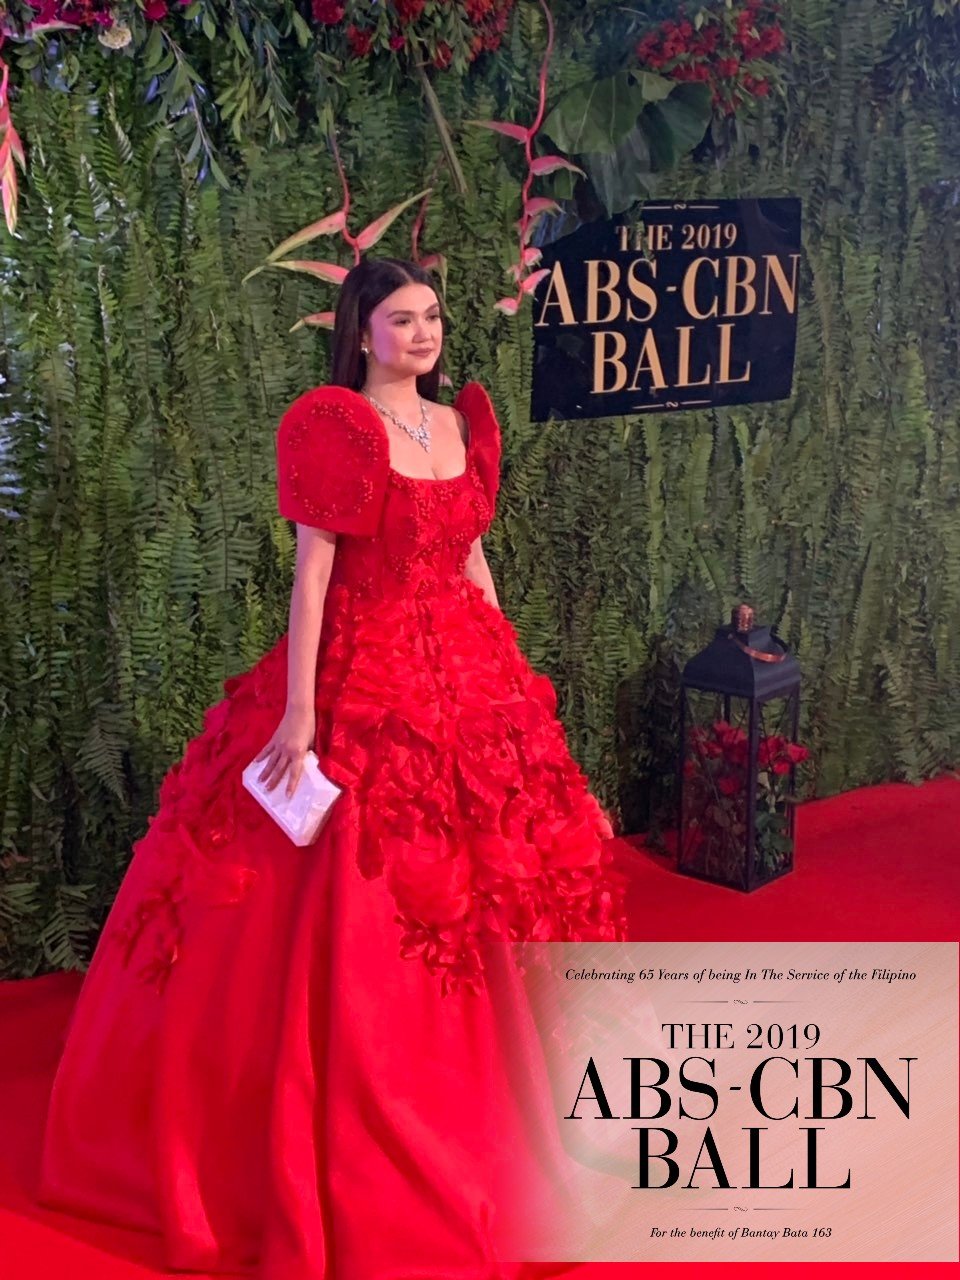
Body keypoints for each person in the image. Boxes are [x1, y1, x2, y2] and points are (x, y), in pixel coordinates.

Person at [37, 256, 628, 1278]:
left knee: (503, 898)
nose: (424, 333)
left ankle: (517, 1129)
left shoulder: (458, 427)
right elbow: (313, 577)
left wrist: (512, 684)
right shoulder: (334, 428)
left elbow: (474, 559)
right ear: (361, 331)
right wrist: (303, 715)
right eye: (402, 319)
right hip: (362, 677)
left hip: (470, 680)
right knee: (343, 910)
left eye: (433, 316)